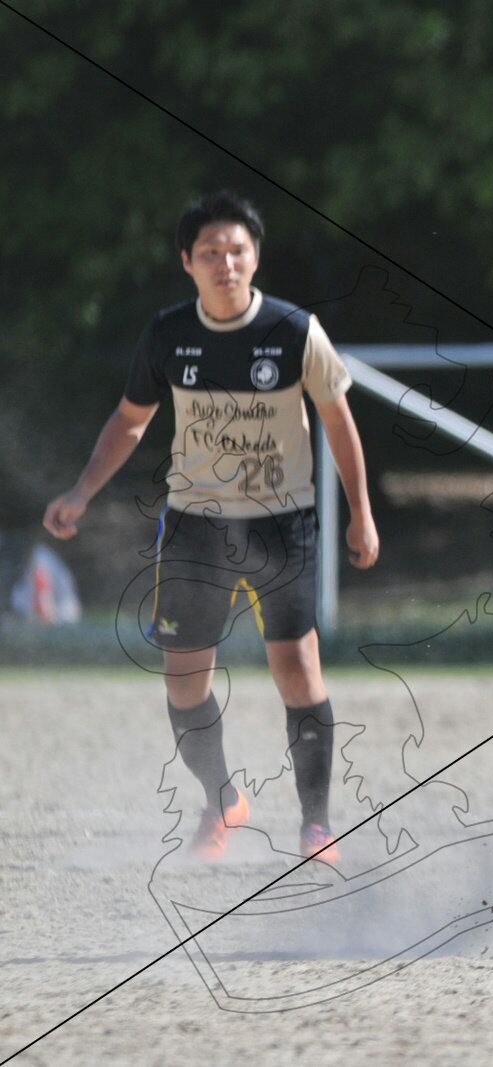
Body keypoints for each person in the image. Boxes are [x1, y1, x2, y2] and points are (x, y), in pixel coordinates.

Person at [42, 191, 379, 863]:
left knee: (297, 666)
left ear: (255, 257)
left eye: (237, 250)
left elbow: (339, 422)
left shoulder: (294, 330)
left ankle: (316, 826)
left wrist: (362, 513)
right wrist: (81, 491)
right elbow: (130, 421)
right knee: (184, 682)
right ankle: (222, 799)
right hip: (196, 526)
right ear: (187, 262)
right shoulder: (168, 334)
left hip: (282, 522)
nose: (225, 263)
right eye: (210, 252)